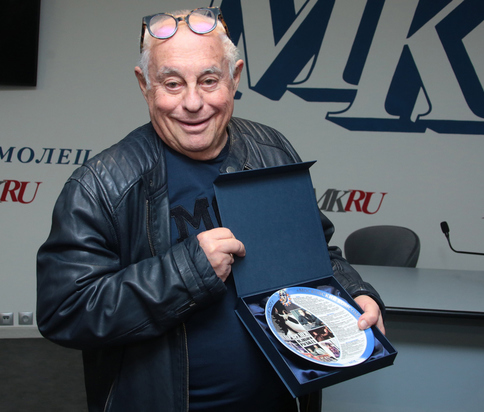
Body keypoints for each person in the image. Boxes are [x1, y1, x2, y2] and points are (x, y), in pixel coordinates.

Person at [36, 7, 385, 412]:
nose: (192, 103)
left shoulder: (270, 150)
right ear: (145, 84)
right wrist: (190, 272)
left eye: (208, 81)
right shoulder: (101, 184)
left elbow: (316, 253)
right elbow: (66, 312)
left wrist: (354, 292)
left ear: (234, 77)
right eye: (172, 83)